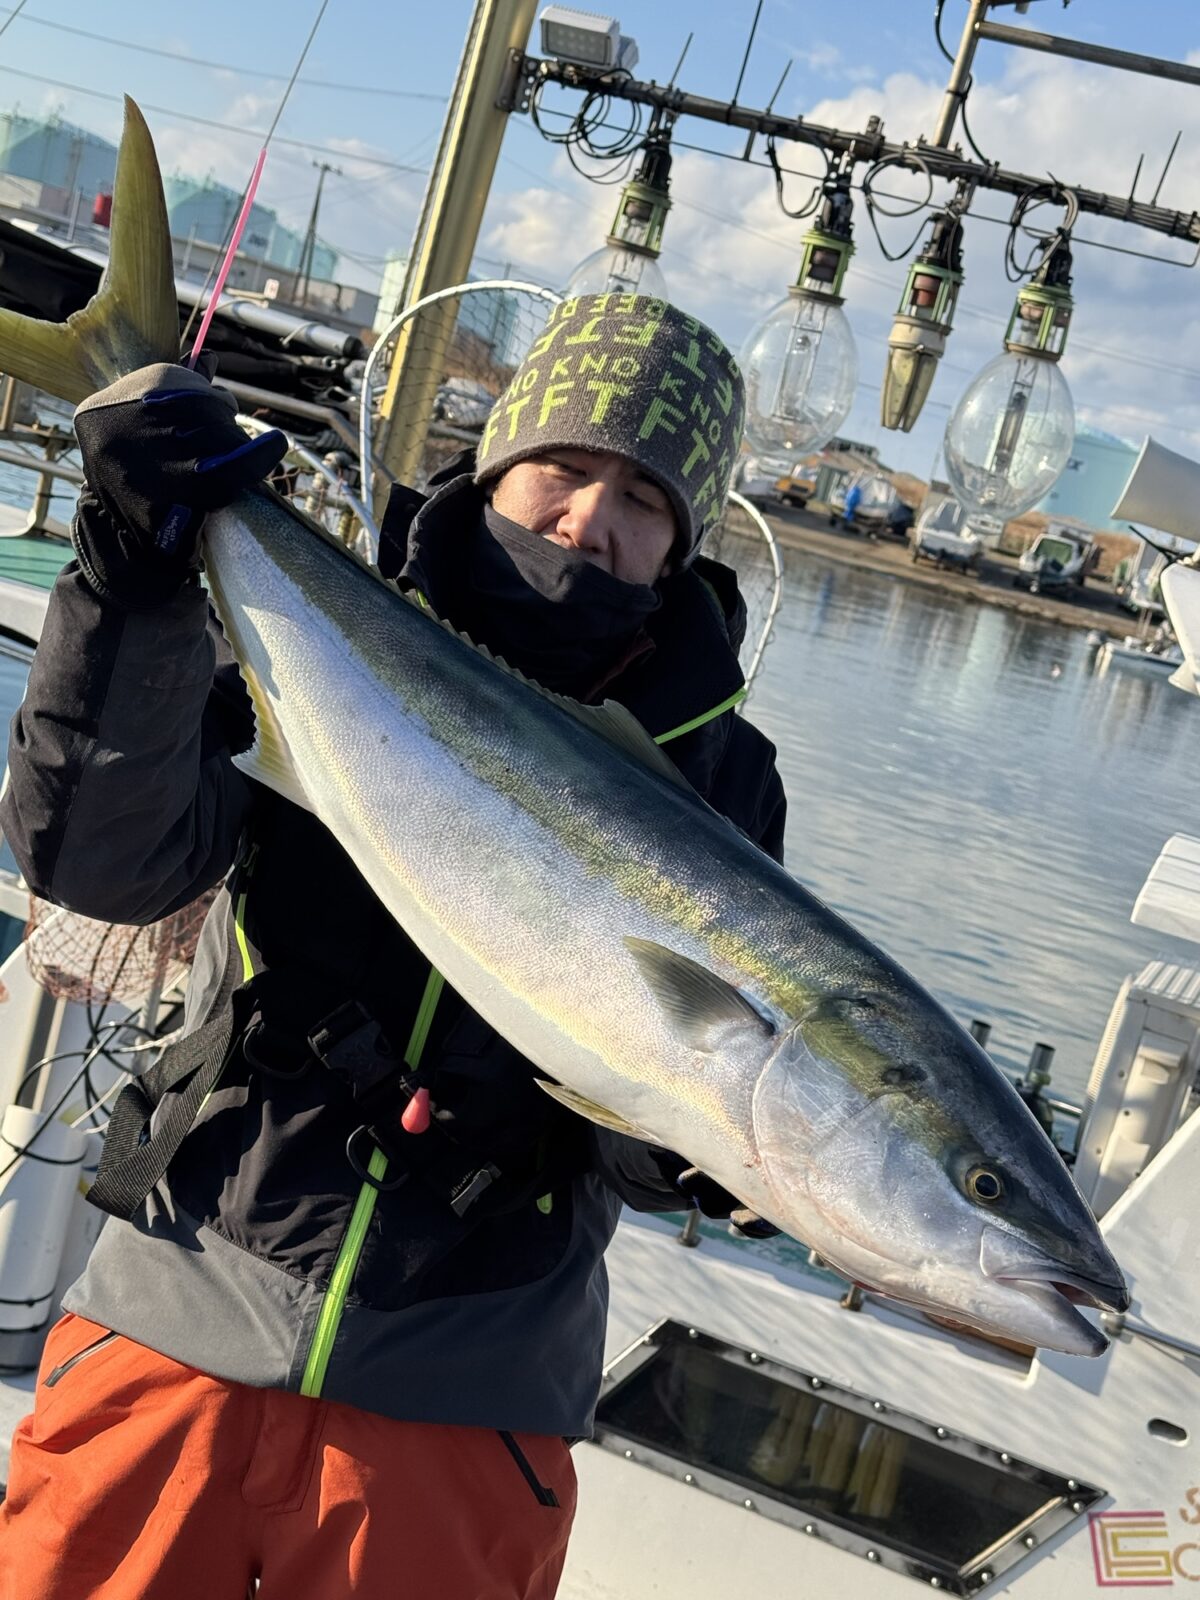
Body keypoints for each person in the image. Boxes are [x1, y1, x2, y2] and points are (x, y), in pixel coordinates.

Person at [0, 293, 787, 1599]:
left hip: (466, 1402)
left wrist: (715, 1144)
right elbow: (98, 859)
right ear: (498, 463)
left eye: (647, 498)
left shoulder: (721, 776)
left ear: (683, 544)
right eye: (564, 466)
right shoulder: (319, 631)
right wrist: (130, 579)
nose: (591, 520)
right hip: (178, 1314)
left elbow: (656, 1132)